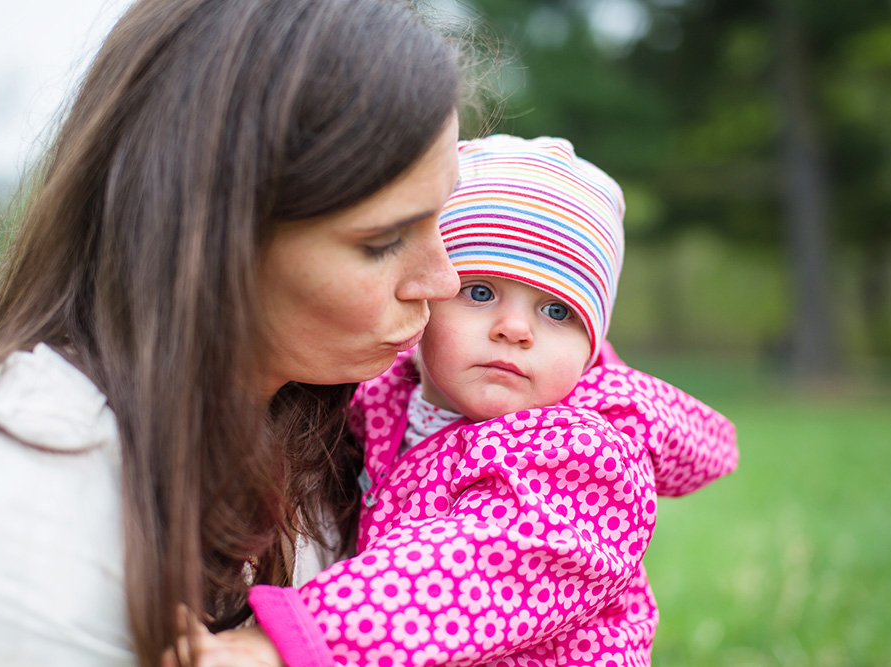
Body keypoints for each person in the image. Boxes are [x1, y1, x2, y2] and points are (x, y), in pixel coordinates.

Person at [0, 0, 473, 664]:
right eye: (381, 241)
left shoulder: (339, 426)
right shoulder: (31, 516)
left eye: (442, 215)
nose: (444, 279)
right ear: (205, 240)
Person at [187, 135, 739, 666]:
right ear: (428, 292)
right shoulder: (385, 398)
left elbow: (475, 570)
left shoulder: (587, 454)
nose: (515, 329)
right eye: (480, 292)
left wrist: (293, 640)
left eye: (557, 311)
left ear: (592, 344)